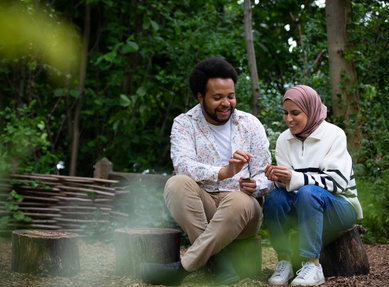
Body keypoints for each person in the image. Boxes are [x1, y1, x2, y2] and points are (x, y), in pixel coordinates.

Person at [139, 57, 271, 286]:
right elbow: (183, 166)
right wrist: (223, 171)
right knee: (176, 183)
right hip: (204, 206)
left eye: (230, 96)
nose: (226, 103)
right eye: (217, 97)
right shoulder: (183, 123)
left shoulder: (251, 124)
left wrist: (256, 185)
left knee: (238, 201)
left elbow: (266, 176)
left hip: (244, 212)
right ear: (200, 96)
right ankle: (220, 264)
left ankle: (181, 269)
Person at [263, 85, 363, 286]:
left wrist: (295, 177)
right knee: (274, 198)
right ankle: (284, 261)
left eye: (295, 113)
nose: (288, 119)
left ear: (311, 110)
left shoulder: (334, 135)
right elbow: (287, 188)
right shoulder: (284, 140)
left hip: (340, 207)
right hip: (303, 207)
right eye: (285, 113)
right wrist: (277, 178)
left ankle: (313, 266)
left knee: (309, 193)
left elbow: (338, 182)